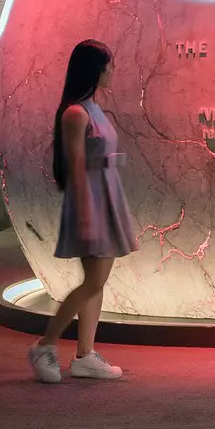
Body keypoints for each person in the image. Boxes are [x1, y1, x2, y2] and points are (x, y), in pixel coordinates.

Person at [28, 39, 139, 383]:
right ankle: (45, 345)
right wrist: (87, 215)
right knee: (93, 280)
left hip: (105, 198)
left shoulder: (92, 108)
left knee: (97, 281)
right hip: (90, 201)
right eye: (109, 66)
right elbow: (76, 165)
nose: (113, 72)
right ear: (95, 70)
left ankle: (85, 353)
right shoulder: (76, 113)